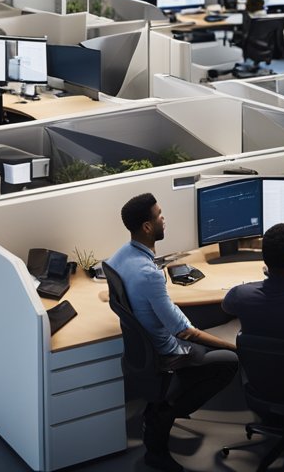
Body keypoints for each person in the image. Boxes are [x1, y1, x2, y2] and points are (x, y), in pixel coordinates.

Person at [106, 193, 238, 472]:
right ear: (147, 227)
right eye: (159, 215)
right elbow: (186, 332)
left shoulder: (120, 256)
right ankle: (165, 412)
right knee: (229, 362)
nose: (163, 218)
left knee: (209, 338)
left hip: (143, 348)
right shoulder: (149, 275)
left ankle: (166, 402)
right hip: (168, 353)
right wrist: (233, 347)